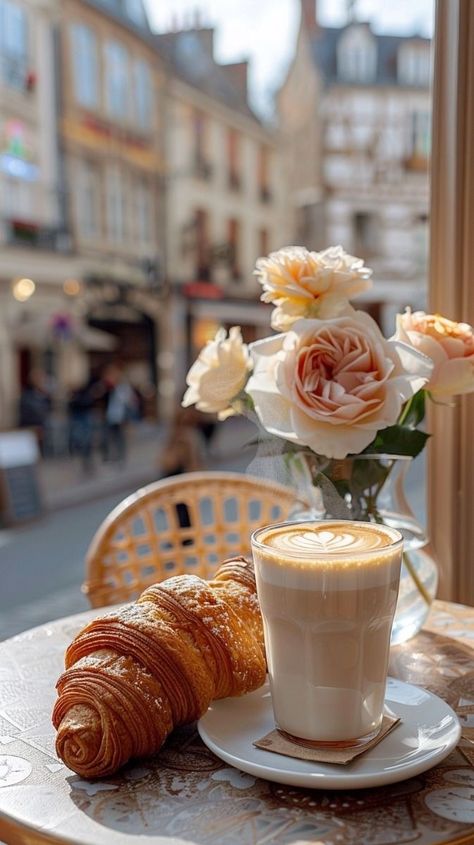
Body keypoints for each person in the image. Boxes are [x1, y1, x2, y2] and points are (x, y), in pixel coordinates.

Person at [101, 364, 136, 464]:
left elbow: (128, 401)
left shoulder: (123, 388)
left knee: (120, 438)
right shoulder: (107, 388)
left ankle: (121, 457)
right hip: (110, 416)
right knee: (110, 437)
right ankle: (112, 457)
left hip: (120, 417)